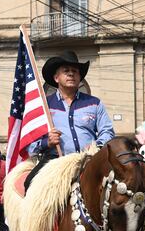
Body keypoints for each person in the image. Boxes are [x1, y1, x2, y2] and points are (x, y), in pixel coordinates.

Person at [25, 51, 114, 188]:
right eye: (66, 71)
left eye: (75, 71)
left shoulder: (94, 103)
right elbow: (30, 141)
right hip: (55, 161)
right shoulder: (43, 106)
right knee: (29, 184)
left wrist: (97, 148)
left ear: (80, 77)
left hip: (90, 160)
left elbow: (107, 131)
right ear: (56, 78)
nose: (71, 74)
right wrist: (47, 142)